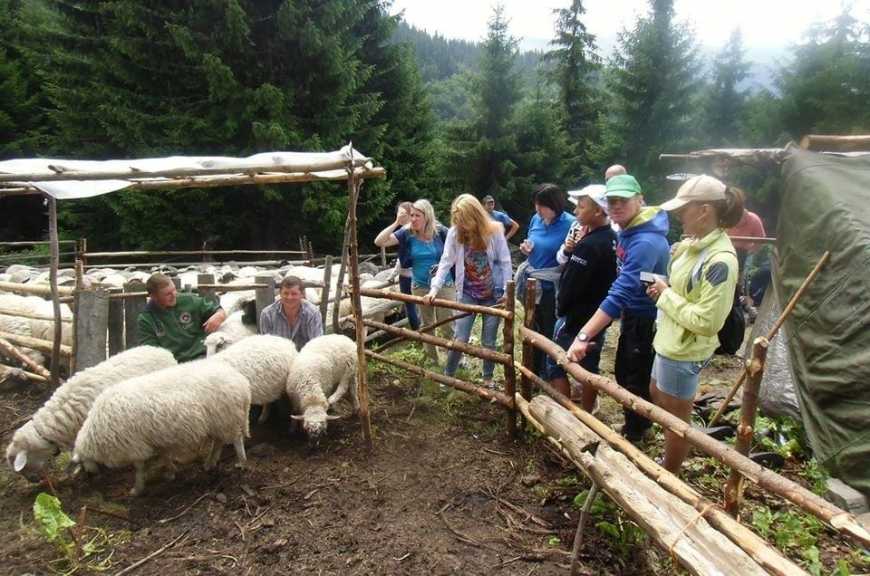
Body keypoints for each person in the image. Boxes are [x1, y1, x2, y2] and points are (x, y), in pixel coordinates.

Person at [645, 175, 741, 474]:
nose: (678, 216)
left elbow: (707, 321)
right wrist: (667, 286)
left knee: (676, 421)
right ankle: (669, 456)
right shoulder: (695, 246)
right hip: (668, 339)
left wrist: (665, 295)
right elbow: (683, 289)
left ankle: (669, 475)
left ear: (704, 211)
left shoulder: (721, 261)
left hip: (684, 350)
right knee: (657, 395)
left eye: (683, 210)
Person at [566, 174, 670, 443]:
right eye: (612, 201)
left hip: (646, 316)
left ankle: (637, 433)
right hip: (633, 312)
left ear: (640, 200)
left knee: (633, 374)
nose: (617, 206)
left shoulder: (644, 241)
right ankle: (637, 425)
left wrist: (583, 336)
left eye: (623, 200)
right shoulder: (628, 231)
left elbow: (621, 291)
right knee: (626, 371)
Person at [425, 194, 512, 388]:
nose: (461, 225)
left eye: (464, 221)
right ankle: (448, 376)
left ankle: (487, 378)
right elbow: (446, 261)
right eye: (458, 222)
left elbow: (505, 262)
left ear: (475, 217)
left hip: (494, 294)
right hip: (468, 293)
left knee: (488, 341)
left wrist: (507, 291)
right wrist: (434, 289)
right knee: (461, 337)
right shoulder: (455, 233)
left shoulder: (495, 231)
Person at [549, 185, 617, 410]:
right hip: (599, 315)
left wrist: (562, 309)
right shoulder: (612, 239)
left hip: (577, 316)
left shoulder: (589, 245)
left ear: (598, 211)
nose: (576, 211)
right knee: (590, 367)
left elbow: (571, 285)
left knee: (555, 363)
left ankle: (566, 411)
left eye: (581, 205)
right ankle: (587, 413)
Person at [376, 198, 454, 364]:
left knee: (447, 322)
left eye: (417, 215)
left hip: (444, 283)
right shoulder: (407, 233)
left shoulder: (440, 232)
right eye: (411, 215)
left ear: (427, 216)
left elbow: (458, 247)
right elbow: (379, 241)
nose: (413, 219)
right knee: (427, 324)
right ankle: (432, 359)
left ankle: (454, 357)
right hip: (420, 285)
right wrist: (397, 222)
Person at [516, 184, 576, 376]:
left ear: (555, 205)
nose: (537, 210)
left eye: (542, 206)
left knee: (549, 329)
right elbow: (531, 241)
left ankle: (548, 373)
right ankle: (531, 369)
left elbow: (571, 256)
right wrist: (526, 248)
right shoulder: (536, 219)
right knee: (531, 325)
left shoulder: (571, 224)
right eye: (536, 205)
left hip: (552, 285)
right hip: (531, 281)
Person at [137, 273, 227, 362]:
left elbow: (217, 310)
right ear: (154, 297)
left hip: (205, 355)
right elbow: (151, 352)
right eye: (168, 294)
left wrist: (219, 315)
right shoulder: (146, 319)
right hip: (175, 365)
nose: (174, 295)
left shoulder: (189, 300)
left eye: (174, 290)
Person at [259, 275, 323, 351]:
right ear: (280, 294)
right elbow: (266, 346)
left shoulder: (313, 313)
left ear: (302, 294)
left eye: (294, 294)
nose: (289, 297)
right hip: (279, 358)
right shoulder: (267, 314)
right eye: (286, 293)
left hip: (306, 358)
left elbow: (316, 344)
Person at [385, 201, 421, 330]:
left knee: (412, 305)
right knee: (414, 305)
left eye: (402, 213)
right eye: (398, 213)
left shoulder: (407, 232)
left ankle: (419, 332)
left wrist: (393, 274)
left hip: (413, 274)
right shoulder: (404, 232)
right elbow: (401, 258)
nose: (399, 216)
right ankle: (422, 333)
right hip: (408, 274)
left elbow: (403, 259)